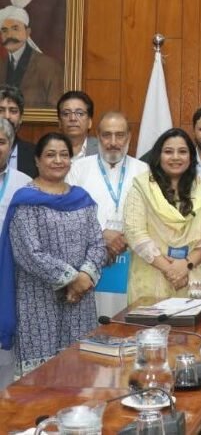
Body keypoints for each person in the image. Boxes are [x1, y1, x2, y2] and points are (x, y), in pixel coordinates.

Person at [1, 132, 106, 376]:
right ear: (37, 160)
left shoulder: (82, 198)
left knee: (79, 373)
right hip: (37, 302)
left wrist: (85, 277)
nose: (58, 160)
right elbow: (29, 253)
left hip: (80, 303)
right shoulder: (26, 200)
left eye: (64, 155)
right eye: (50, 155)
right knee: (41, 380)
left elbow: (97, 244)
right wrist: (73, 279)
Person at [124, 128, 201, 303]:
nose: (175, 157)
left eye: (182, 151)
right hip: (151, 279)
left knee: (196, 321)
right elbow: (135, 234)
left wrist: (186, 265)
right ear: (158, 156)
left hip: (196, 281)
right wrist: (170, 270)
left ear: (191, 157)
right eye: (168, 152)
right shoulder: (141, 188)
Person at [66, 111, 148, 317]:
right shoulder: (78, 169)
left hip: (132, 260)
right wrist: (101, 235)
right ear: (97, 136)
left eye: (119, 135)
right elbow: (67, 215)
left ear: (129, 137)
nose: (113, 142)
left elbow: (151, 217)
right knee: (93, 322)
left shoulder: (144, 170)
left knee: (127, 321)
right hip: (88, 263)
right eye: (106, 135)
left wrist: (123, 238)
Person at [0, 118, 31, 388]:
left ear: (10, 146)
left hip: (11, 277)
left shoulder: (25, 184)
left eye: (1, 142)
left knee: (6, 359)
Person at [0, 0, 63, 108]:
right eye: (4, 30)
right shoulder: (1, 65)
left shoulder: (49, 66)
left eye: (15, 28)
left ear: (27, 32)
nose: (9, 35)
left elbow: (56, 109)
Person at [0, 84, 36, 177]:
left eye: (13, 111)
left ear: (20, 118)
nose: (7, 116)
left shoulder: (34, 153)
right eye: (1, 110)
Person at [57, 90, 98, 161]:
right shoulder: (48, 150)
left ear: (89, 122)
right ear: (60, 122)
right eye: (66, 114)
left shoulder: (102, 150)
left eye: (79, 113)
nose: (73, 118)